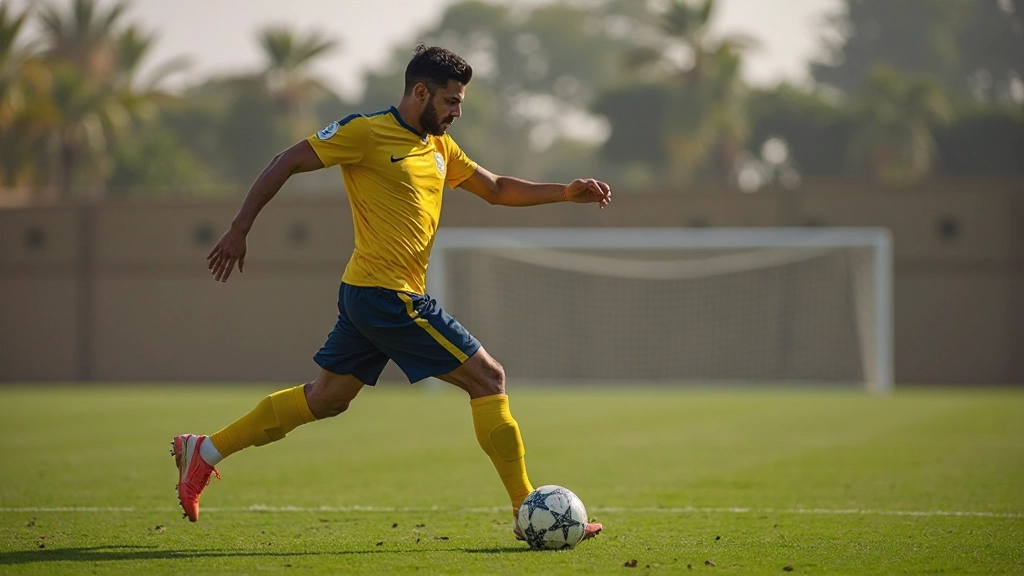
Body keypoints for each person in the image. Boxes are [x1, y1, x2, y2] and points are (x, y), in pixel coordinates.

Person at [173, 44, 611, 543]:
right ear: (419, 92)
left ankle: (203, 452)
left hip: (369, 294)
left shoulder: (440, 146)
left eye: (460, 103)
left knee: (325, 399)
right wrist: (239, 227)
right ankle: (524, 511)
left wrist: (564, 191)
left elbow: (495, 188)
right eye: (450, 101)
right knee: (489, 378)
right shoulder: (364, 132)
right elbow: (286, 160)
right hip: (388, 296)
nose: (456, 112)